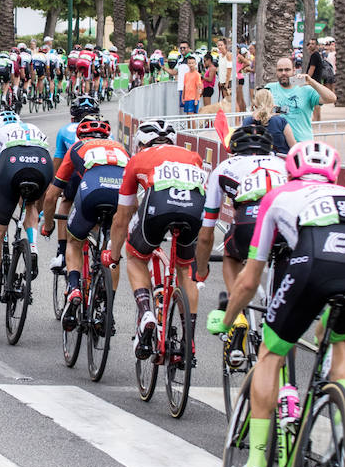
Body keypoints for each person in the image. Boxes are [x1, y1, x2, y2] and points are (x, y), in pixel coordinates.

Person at [207, 141, 345, 467]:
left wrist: (228, 320)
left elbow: (250, 279)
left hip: (311, 266)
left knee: (271, 353)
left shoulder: (278, 195)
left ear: (291, 171)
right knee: (338, 342)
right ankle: (340, 434)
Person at [102, 119, 205, 359]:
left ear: (141, 143)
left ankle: (147, 313)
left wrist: (114, 254)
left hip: (158, 205)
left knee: (136, 257)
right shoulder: (192, 156)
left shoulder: (137, 159)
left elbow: (123, 216)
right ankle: (188, 340)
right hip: (193, 208)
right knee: (184, 269)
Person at [42, 117, 128, 331]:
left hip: (93, 192)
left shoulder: (77, 147)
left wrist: (48, 225)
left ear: (80, 136)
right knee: (112, 253)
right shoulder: (121, 148)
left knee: (74, 241)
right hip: (121, 196)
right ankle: (107, 309)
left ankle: (74, 289)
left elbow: (52, 195)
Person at [0, 111, 52, 322]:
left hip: (12, 165)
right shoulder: (34, 129)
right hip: (42, 163)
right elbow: (46, 193)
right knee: (32, 205)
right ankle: (32, 246)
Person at [195, 124, 287, 300]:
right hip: (285, 225)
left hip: (250, 223)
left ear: (234, 149)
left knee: (231, 254)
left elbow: (207, 233)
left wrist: (200, 272)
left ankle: (236, 313)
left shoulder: (225, 167)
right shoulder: (283, 164)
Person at [48, 95, 100, 271]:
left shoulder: (64, 130)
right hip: (99, 176)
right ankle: (100, 247)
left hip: (75, 174)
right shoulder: (105, 130)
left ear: (73, 117)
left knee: (65, 201)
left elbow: (58, 161)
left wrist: (53, 184)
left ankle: (62, 252)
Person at [265, 56, 336, 142]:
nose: (283, 73)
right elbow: (259, 111)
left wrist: (312, 82)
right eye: (280, 70)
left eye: (287, 70)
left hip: (302, 144)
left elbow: (331, 98)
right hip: (278, 146)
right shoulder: (269, 88)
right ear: (276, 71)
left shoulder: (306, 89)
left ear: (294, 70)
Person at [243, 88, 295, 154]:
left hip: (254, 161)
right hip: (279, 160)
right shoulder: (280, 121)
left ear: (255, 104)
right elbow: (293, 147)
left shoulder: (247, 121)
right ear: (272, 103)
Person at [167, 39, 191, 109]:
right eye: (181, 48)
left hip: (189, 89)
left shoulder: (192, 59)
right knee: (183, 109)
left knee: (190, 111)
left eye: (184, 48)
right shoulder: (180, 60)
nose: (182, 49)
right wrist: (163, 67)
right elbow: (174, 72)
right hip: (181, 88)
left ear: (189, 49)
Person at [306, 37, 324, 121]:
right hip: (316, 81)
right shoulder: (317, 55)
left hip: (314, 82)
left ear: (316, 45)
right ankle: (317, 118)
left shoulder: (314, 55)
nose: (310, 46)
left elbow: (311, 69)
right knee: (316, 101)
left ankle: (316, 118)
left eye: (312, 44)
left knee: (315, 101)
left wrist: (307, 79)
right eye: (309, 44)